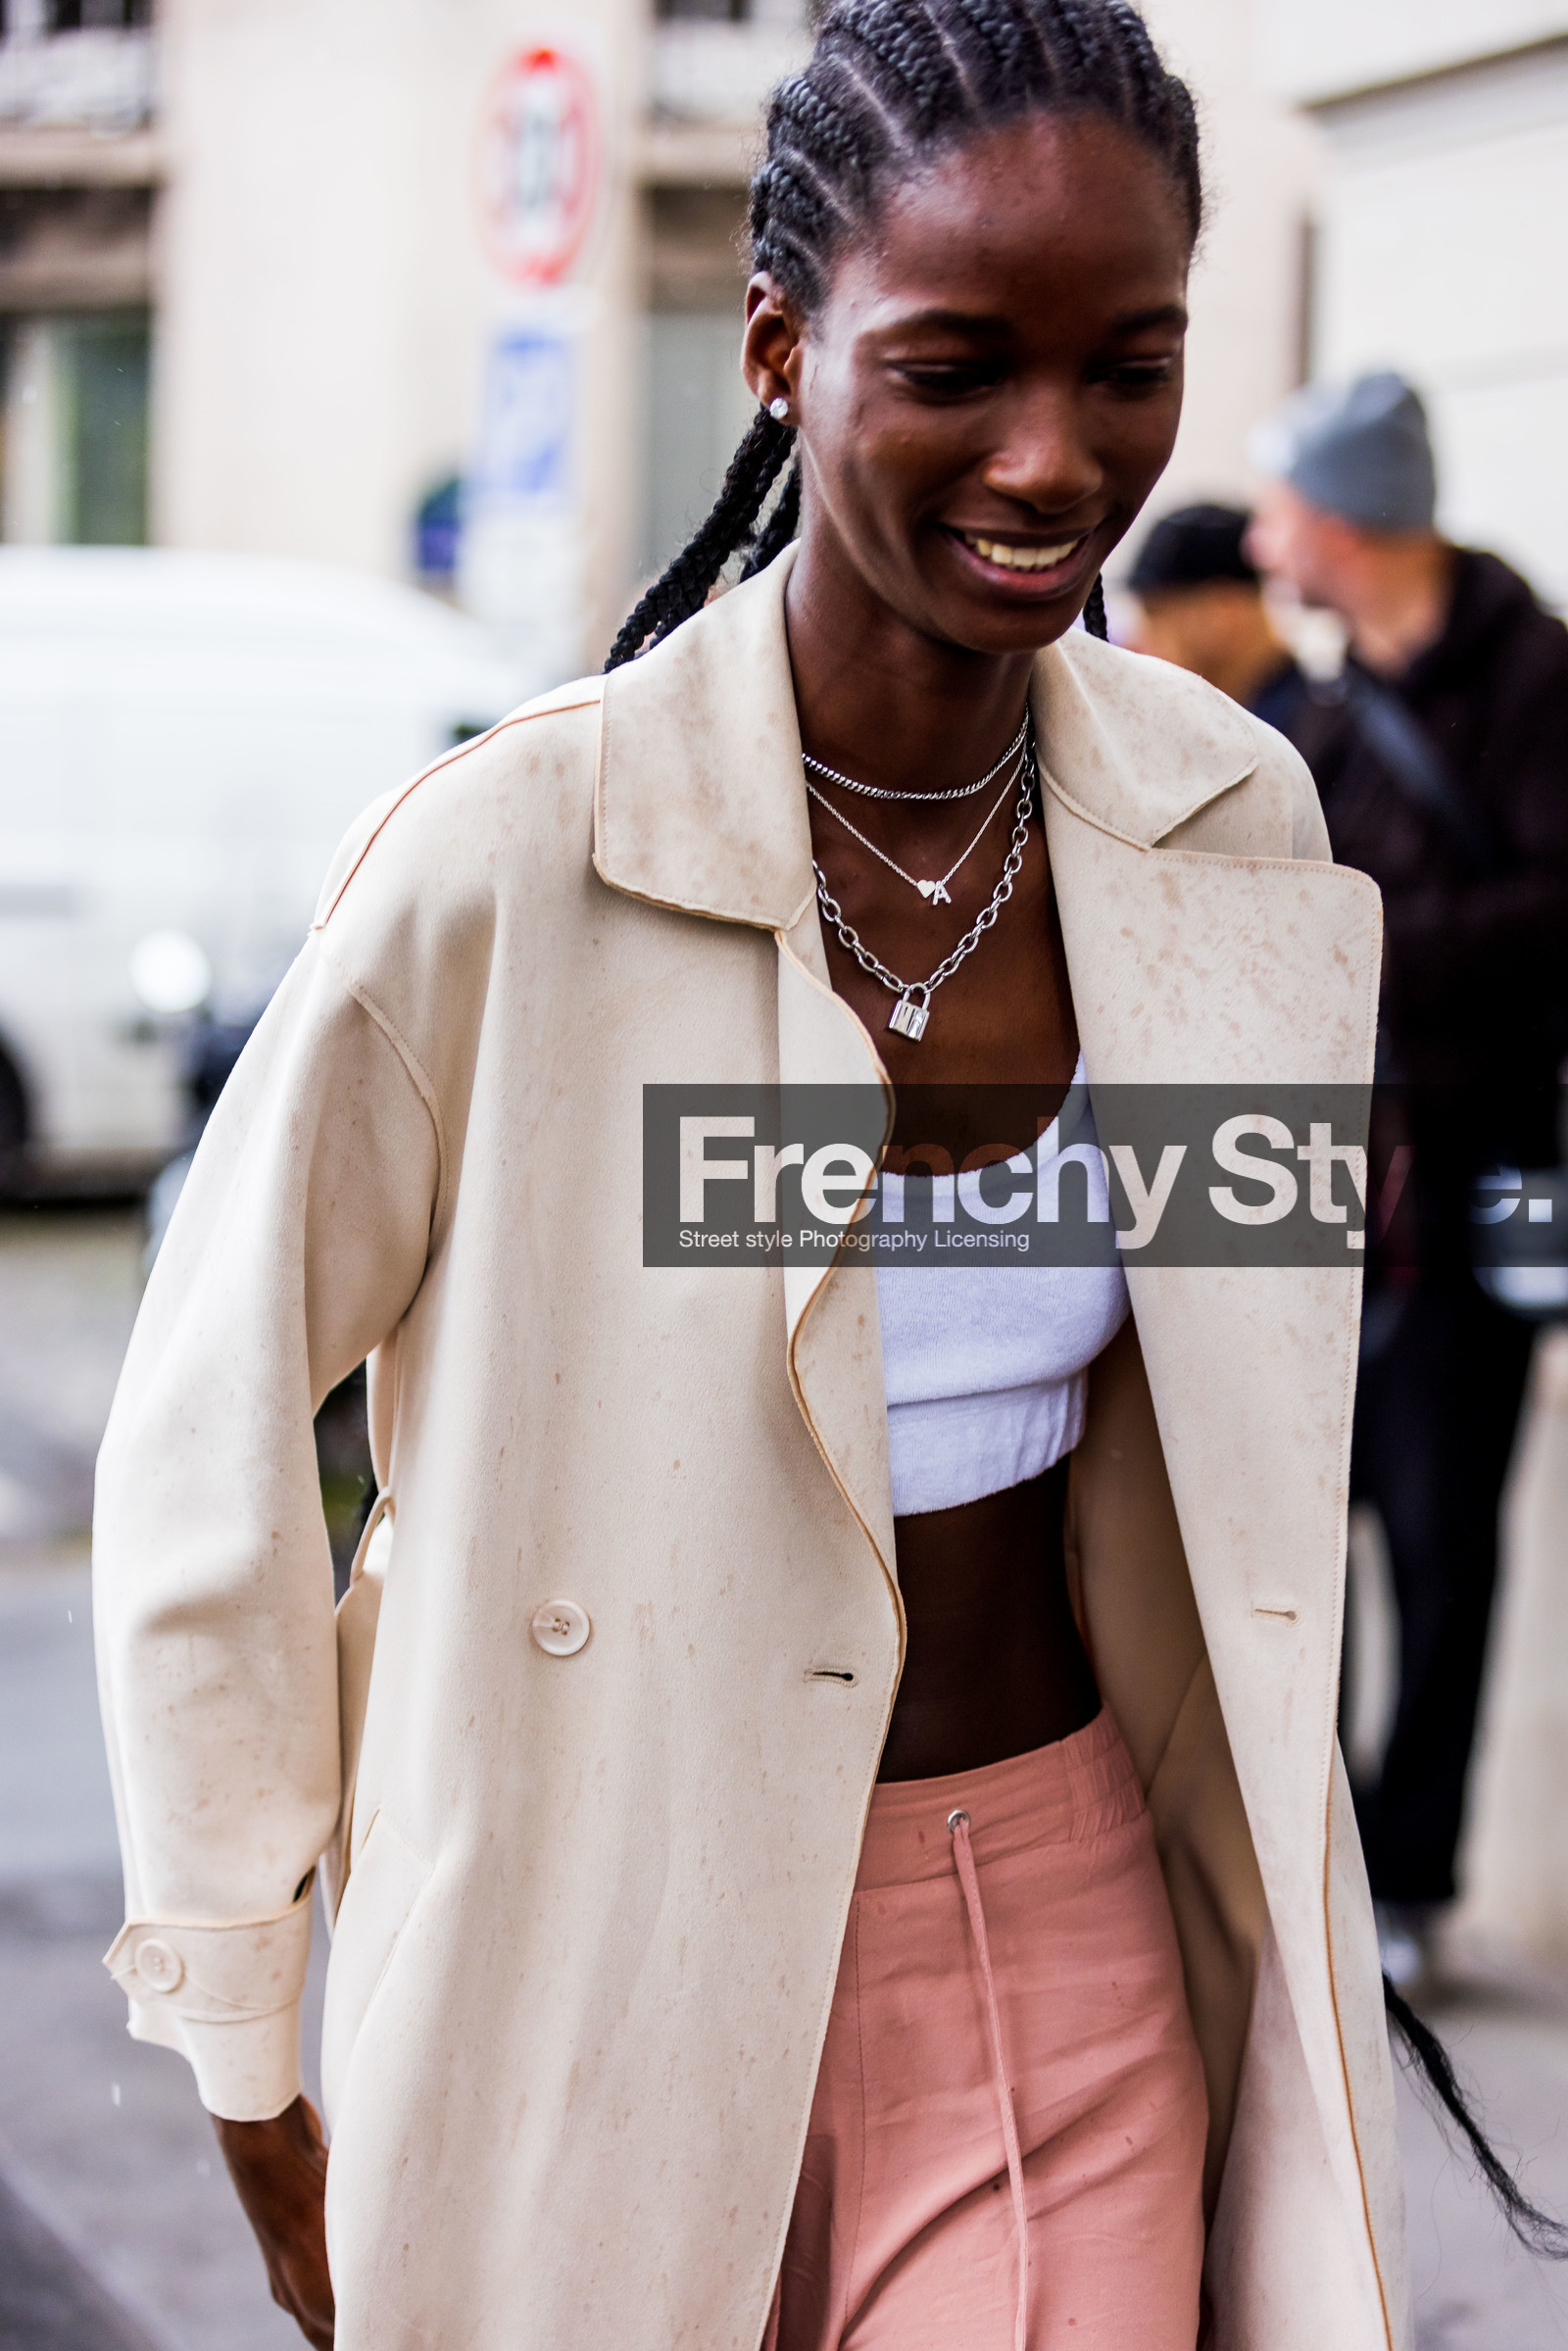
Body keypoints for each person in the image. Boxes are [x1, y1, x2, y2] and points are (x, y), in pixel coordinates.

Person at [92, 8, 1408, 2348]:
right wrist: (247, 2028)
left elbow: (1237, 1436)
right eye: (952, 366)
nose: (1050, 455)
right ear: (782, 349)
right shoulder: (511, 858)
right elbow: (206, 1448)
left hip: (1055, 1937)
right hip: (584, 1938)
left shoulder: (1227, 833)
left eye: (1126, 367)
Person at [1249, 371, 1568, 1984]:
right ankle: (1323, 1845)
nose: (1258, 535)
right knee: (1306, 1520)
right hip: (1330, 1188)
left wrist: (1359, 943)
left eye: (1281, 504)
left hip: (1500, 1178)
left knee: (1449, 1527)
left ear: (1349, 519)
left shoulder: (1536, 681)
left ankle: (1413, 1877)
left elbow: (1554, 922)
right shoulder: (1311, 715)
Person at [1124, 500, 1305, 732]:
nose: (1132, 643)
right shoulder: (1249, 725)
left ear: (1223, 613)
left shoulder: (1320, 745)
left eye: (1154, 614)